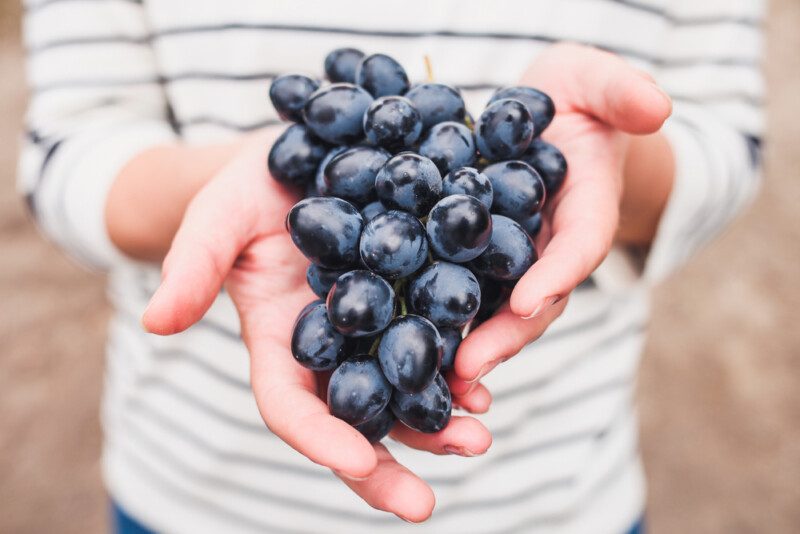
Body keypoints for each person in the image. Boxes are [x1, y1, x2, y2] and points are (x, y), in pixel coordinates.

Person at [19, 1, 764, 532]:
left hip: (555, 501)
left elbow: (730, 150)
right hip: (193, 493)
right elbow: (65, 157)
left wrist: (615, 164)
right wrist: (215, 190)